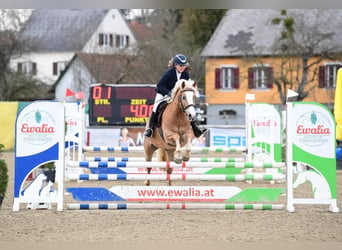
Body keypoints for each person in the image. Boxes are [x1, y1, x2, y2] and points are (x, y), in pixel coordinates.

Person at [144, 54, 208, 138]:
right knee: (156, 107)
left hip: (178, 95)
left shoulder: (186, 74)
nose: (182, 67)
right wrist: (169, 93)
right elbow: (159, 86)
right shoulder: (169, 73)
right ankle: (150, 129)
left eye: (184, 65)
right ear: (175, 65)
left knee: (188, 107)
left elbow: (185, 87)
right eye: (180, 65)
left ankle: (196, 128)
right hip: (164, 92)